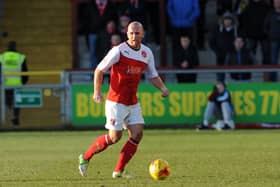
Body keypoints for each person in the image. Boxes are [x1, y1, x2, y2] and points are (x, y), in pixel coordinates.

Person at [78, 21, 170, 178]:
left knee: (137, 134)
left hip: (132, 101)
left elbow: (152, 75)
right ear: (127, 34)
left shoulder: (146, 53)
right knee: (114, 138)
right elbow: (99, 70)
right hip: (116, 101)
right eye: (131, 33)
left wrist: (162, 88)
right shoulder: (118, 51)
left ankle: (118, 170)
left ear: (143, 34)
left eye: (137, 33)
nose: (134, 36)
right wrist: (97, 92)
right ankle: (85, 157)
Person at [0, 41, 28, 125]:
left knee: (7, 103)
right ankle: (15, 117)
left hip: (6, 84)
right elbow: (25, 72)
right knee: (17, 102)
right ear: (15, 47)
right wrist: (23, 82)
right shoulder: (21, 57)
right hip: (17, 84)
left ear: (7, 47)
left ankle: (11, 116)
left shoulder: (2, 57)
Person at [209, 11, 238, 82]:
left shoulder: (236, 29)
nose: (227, 21)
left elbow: (240, 41)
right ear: (223, 20)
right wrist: (217, 52)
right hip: (221, 56)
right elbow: (212, 42)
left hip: (233, 55)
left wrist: (236, 51)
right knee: (220, 76)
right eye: (226, 19)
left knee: (235, 75)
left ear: (232, 20)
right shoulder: (217, 29)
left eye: (229, 19)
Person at [264, 0, 280, 82]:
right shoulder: (270, 13)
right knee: (273, 61)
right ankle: (273, 81)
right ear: (273, 4)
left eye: (279, 2)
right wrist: (270, 35)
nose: (277, 3)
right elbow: (265, 26)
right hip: (274, 40)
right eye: (276, 2)